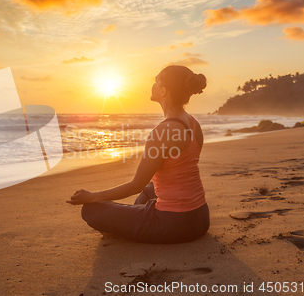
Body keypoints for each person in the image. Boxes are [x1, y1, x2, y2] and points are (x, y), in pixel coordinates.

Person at [67, 65, 209, 244]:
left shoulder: (163, 131)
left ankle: (127, 225)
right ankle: (132, 219)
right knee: (150, 188)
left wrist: (92, 196)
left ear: (163, 90)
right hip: (201, 218)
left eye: (156, 81)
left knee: (90, 210)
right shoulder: (193, 123)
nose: (153, 84)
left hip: (174, 225)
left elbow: (135, 185)